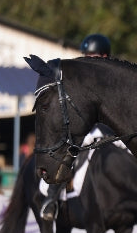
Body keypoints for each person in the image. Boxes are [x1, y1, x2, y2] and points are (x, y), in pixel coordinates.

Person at [40, 34, 112, 221]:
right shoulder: (78, 78)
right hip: (85, 130)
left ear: (104, 57)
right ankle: (51, 199)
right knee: (68, 152)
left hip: (110, 130)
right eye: (85, 55)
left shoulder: (113, 78)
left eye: (92, 56)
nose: (87, 60)